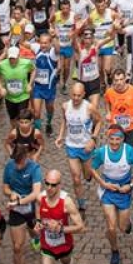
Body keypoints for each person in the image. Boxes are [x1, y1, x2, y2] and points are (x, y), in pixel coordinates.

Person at [90, 126, 133, 264]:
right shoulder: (102, 152)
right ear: (107, 139)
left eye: (117, 139)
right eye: (111, 139)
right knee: (111, 227)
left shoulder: (129, 151)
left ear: (122, 139)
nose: (114, 143)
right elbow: (92, 168)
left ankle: (127, 223)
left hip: (124, 191)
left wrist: (131, 185)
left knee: (122, 227)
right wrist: (102, 183)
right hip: (107, 191)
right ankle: (115, 250)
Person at [36, 171, 85, 264]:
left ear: (59, 185)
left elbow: (80, 226)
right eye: (47, 184)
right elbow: (38, 213)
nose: (49, 187)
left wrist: (61, 228)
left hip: (64, 245)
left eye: (53, 185)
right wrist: (38, 223)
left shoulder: (67, 202)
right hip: (47, 247)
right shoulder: (40, 197)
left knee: (66, 263)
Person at [3, 142, 43, 264]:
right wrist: (11, 193)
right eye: (15, 162)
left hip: (32, 208)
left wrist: (20, 201)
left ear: (26, 157)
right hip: (16, 212)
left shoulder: (35, 168)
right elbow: (4, 188)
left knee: (33, 231)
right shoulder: (9, 167)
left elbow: (36, 193)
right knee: (18, 247)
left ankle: (35, 237)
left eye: (20, 162)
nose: (18, 166)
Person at [56, 83, 101, 213]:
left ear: (83, 95)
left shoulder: (90, 108)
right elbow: (65, 121)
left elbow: (99, 121)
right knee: (76, 178)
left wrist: (93, 139)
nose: (75, 98)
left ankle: (88, 175)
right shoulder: (65, 106)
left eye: (78, 96)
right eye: (73, 95)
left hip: (86, 147)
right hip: (71, 146)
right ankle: (81, 204)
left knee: (87, 175)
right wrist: (60, 136)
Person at [104, 70, 133, 147]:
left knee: (129, 149)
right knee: (117, 148)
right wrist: (108, 112)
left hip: (130, 127)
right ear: (113, 81)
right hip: (116, 127)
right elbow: (106, 101)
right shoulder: (109, 92)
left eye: (121, 79)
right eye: (116, 80)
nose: (119, 82)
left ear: (125, 79)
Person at [0, 45, 33, 124]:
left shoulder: (26, 63)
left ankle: (20, 133)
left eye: (14, 58)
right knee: (12, 118)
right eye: (10, 58)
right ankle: (14, 131)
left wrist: (30, 84)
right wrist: (1, 88)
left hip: (23, 96)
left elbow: (34, 70)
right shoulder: (2, 65)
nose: (12, 60)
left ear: (19, 56)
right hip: (9, 97)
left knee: (22, 119)